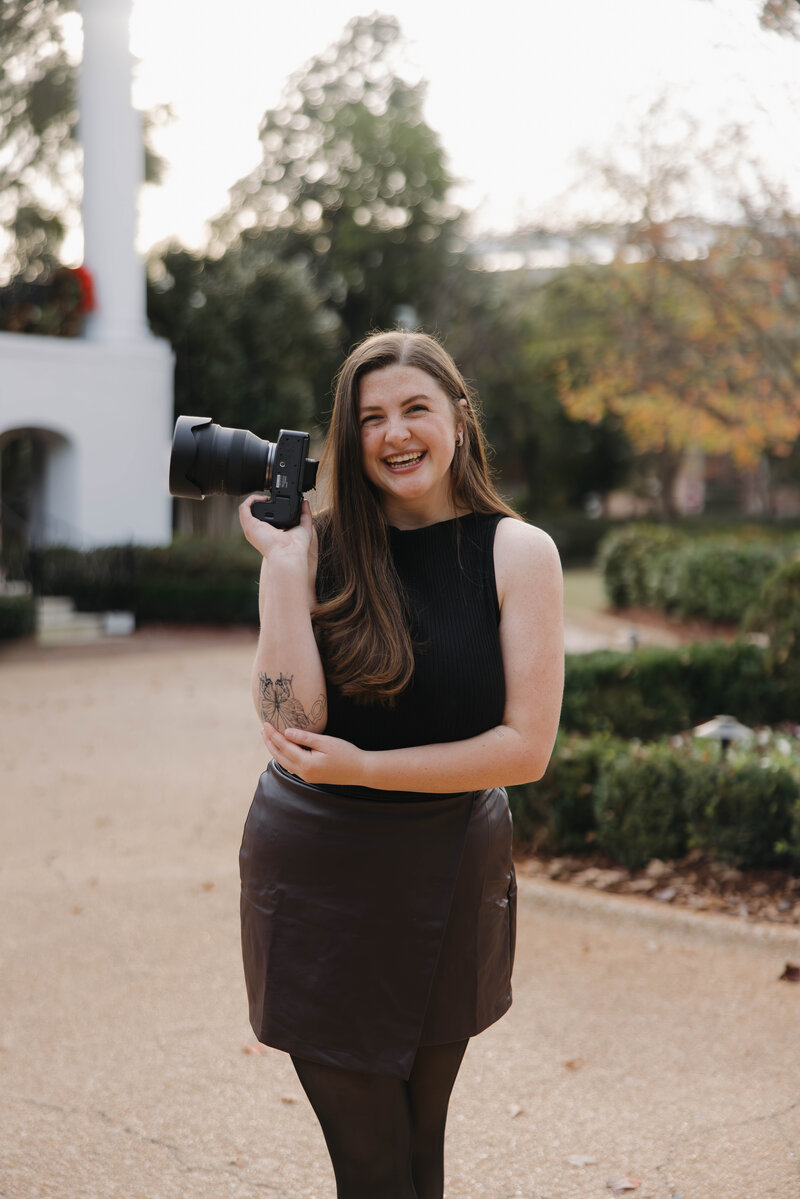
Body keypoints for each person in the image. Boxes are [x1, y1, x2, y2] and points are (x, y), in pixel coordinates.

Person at [237, 330, 564, 1199]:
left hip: (449, 863)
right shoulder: (321, 546)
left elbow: (525, 748)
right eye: (371, 416)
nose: (395, 433)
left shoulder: (517, 552)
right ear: (351, 436)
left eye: (415, 408)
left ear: (458, 416)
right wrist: (283, 569)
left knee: (421, 1149)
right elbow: (290, 721)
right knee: (372, 1163)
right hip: (320, 872)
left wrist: (367, 769)